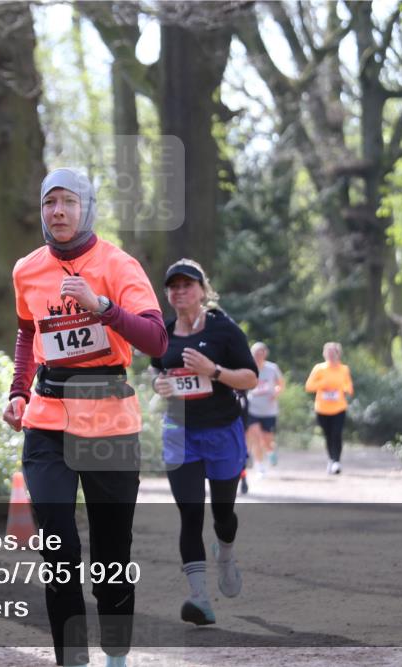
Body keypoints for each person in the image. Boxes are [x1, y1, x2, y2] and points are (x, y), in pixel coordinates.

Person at [2, 168, 167, 667]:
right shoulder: (27, 269)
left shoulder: (118, 265)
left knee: (112, 554)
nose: (58, 211)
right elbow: (29, 332)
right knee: (58, 549)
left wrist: (103, 308)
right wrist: (17, 391)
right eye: (50, 202)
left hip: (110, 422)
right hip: (48, 420)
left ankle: (116, 655)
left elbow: (157, 340)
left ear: (87, 207)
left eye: (68, 202)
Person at [149, 259, 258, 626]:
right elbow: (157, 371)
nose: (180, 292)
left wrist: (212, 371)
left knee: (223, 514)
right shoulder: (161, 333)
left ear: (202, 289)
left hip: (222, 430)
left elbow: (250, 379)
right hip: (179, 433)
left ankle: (225, 552)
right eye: (173, 287)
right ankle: (199, 598)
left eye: (187, 285)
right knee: (190, 513)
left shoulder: (224, 330)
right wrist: (159, 385)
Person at [304, 342, 354, 474]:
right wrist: (323, 384)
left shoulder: (344, 369)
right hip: (322, 408)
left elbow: (349, 387)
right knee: (328, 435)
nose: (331, 355)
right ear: (324, 354)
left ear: (338, 354)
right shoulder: (319, 368)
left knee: (337, 434)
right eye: (328, 353)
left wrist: (343, 389)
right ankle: (331, 459)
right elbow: (309, 386)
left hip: (339, 408)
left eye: (334, 353)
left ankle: (337, 461)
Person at [244, 342, 285, 480]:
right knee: (255, 436)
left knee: (266, 439)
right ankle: (260, 466)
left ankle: (271, 451)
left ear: (265, 354)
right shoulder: (248, 368)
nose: (258, 355)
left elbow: (281, 384)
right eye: (255, 353)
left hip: (269, 410)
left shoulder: (272, 368)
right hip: (253, 408)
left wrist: (276, 393)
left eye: (261, 352)